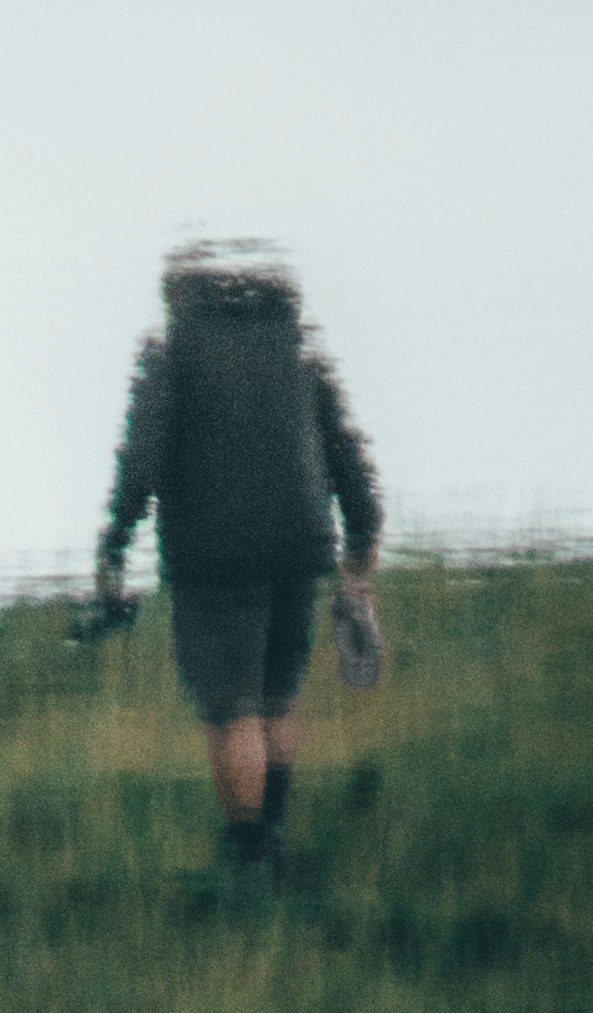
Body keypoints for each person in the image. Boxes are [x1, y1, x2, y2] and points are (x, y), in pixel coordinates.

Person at [95, 242, 382, 875]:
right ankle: (272, 838)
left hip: (213, 556)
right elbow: (346, 450)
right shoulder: (298, 353)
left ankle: (250, 856)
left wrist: (114, 544)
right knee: (278, 699)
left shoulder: (171, 355)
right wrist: (360, 549)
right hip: (300, 545)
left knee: (231, 710)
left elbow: (140, 457)